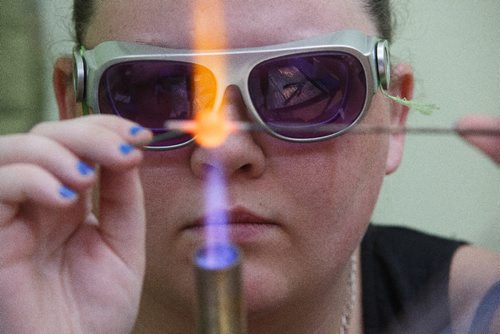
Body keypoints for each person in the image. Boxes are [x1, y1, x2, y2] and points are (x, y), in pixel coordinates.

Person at [0, 0, 498, 333]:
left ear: (394, 117)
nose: (222, 152)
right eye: (159, 88)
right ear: (74, 104)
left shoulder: (480, 308)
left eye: (299, 87)